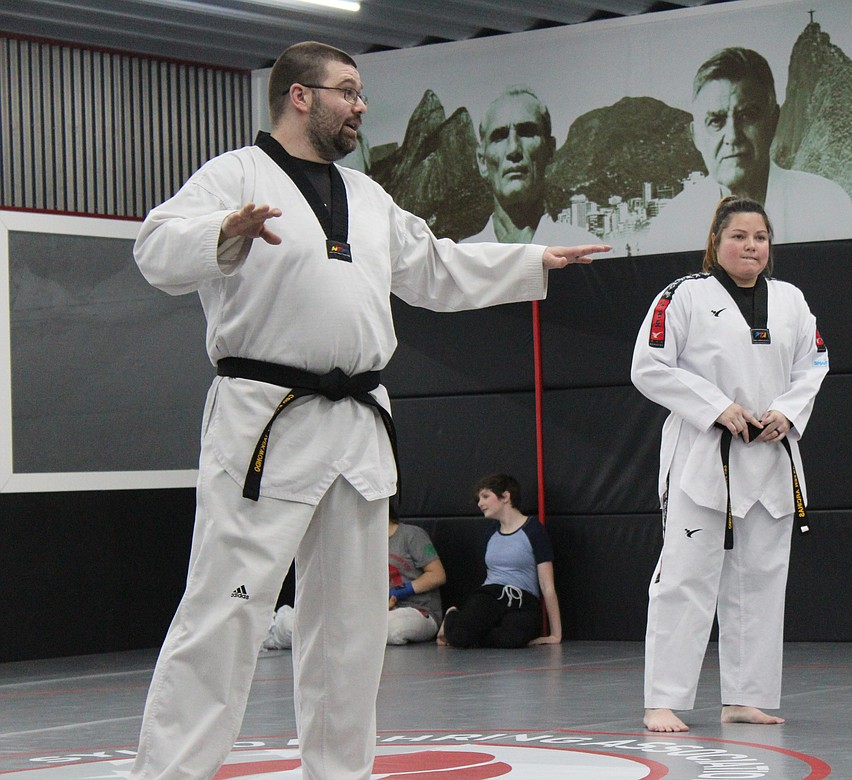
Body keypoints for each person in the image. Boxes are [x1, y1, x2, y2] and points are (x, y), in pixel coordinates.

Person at [128, 41, 607, 780]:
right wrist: (223, 234)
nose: (359, 106)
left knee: (350, 630)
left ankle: (340, 773)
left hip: (356, 426)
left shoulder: (369, 196)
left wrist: (531, 261)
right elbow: (156, 248)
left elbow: (434, 266)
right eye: (347, 91)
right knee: (226, 612)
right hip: (265, 418)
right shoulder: (235, 174)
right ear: (298, 96)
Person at [631, 196, 829, 733]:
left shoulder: (790, 300)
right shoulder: (683, 295)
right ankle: (663, 699)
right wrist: (717, 407)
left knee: (762, 579)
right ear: (716, 241)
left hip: (769, 455)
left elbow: (814, 363)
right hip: (703, 457)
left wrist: (787, 413)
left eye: (760, 237)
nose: (751, 246)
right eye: (739, 236)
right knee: (686, 579)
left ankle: (745, 695)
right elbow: (648, 366)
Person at [641, 47, 852, 254]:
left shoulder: (827, 205)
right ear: (696, 136)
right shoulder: (670, 228)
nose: (733, 136)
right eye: (716, 121)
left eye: (747, 115)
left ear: (773, 120)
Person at [261, 505, 447, 651]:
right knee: (317, 624)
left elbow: (437, 575)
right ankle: (273, 628)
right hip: (369, 612)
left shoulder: (411, 535)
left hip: (417, 611)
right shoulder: (358, 542)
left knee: (391, 630)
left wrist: (395, 593)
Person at [460, 86, 603, 246]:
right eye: (499, 137)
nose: (513, 149)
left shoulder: (586, 251)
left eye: (527, 132)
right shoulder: (461, 260)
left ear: (550, 150)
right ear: (482, 161)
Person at [437, 474, 562, 648]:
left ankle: (475, 632)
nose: (480, 503)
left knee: (511, 639)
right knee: (459, 637)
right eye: (479, 498)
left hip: (522, 599)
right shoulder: (491, 534)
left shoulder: (533, 531)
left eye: (486, 496)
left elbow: (547, 585)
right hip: (492, 594)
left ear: (505, 496)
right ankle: (453, 615)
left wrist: (556, 634)